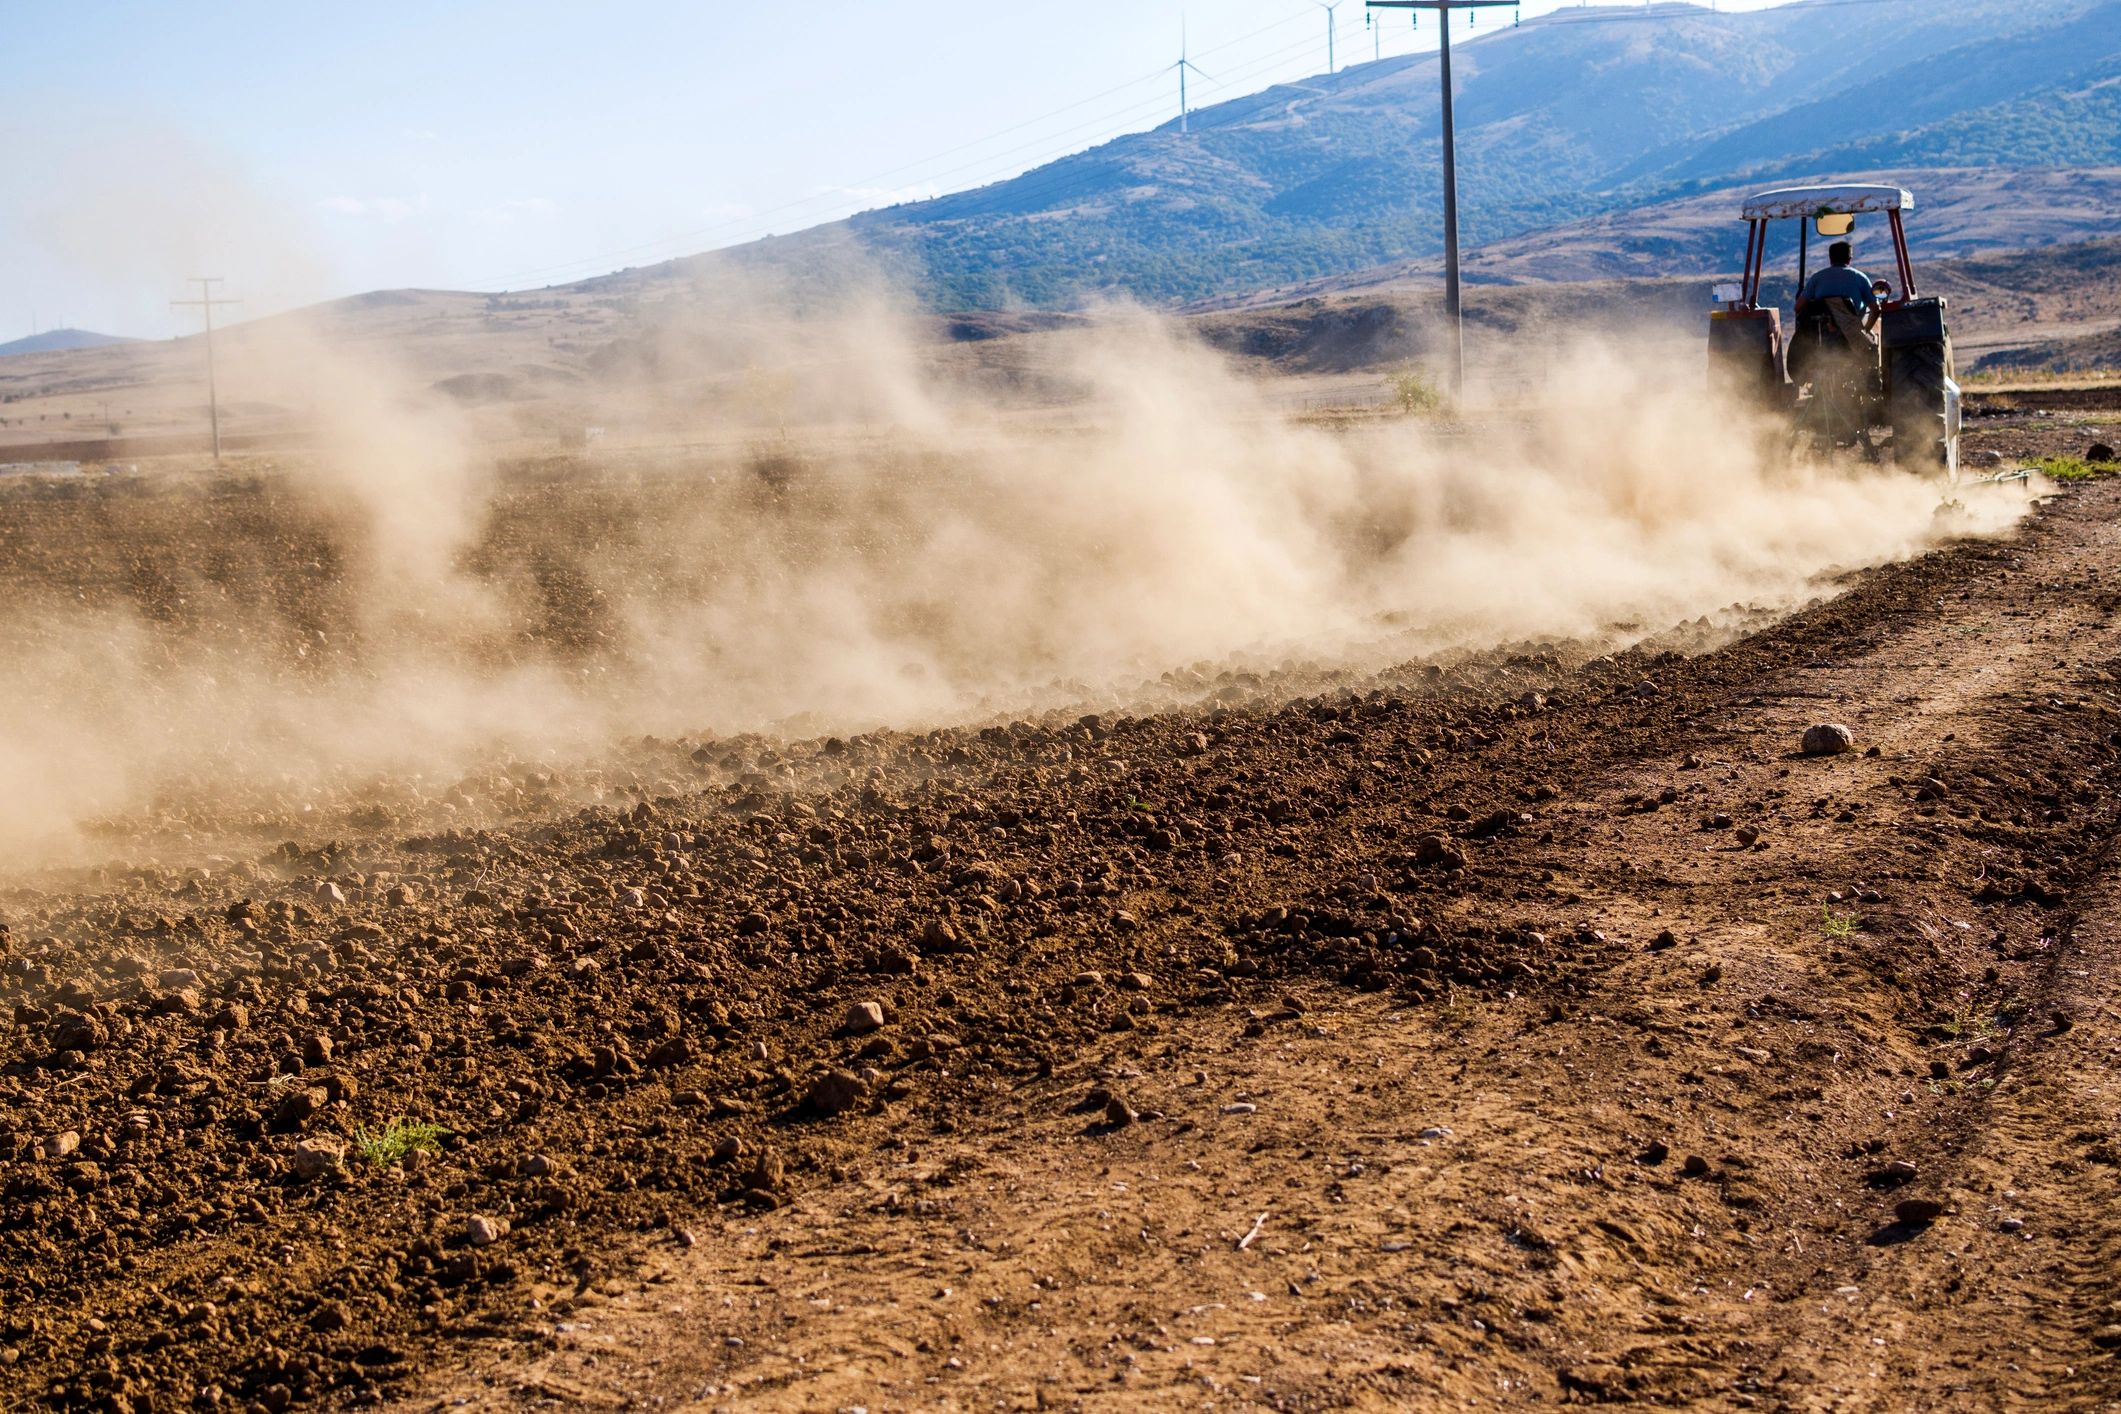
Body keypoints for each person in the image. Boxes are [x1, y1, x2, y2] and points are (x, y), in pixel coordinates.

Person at [1796, 241, 1880, 325]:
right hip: (1852, 333)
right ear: (1849, 259)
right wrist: (1866, 330)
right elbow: (1876, 309)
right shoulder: (1860, 278)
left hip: (1821, 332)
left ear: (1830, 258)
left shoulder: (1816, 278)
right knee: (1866, 309)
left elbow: (1798, 307)